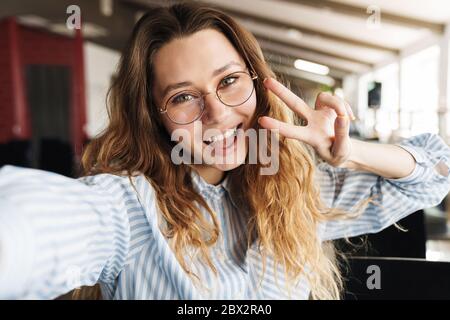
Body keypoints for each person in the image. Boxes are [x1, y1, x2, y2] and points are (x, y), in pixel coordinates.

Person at [1, 2, 449, 300]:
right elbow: (27, 226)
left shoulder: (298, 189)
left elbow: (437, 171)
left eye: (229, 81)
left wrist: (346, 153)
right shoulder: (129, 207)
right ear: (154, 116)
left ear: (256, 80)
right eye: (182, 97)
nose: (216, 113)